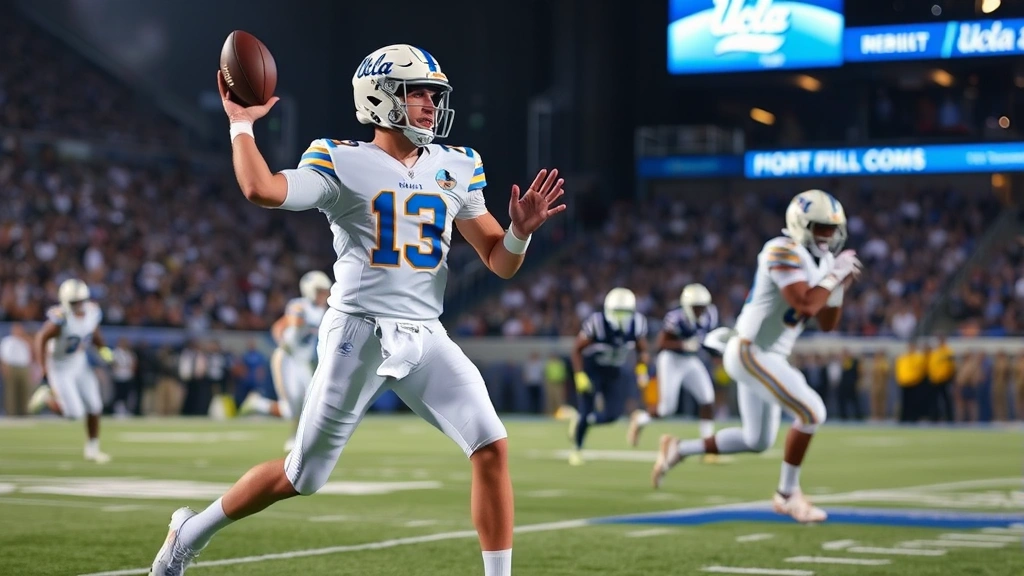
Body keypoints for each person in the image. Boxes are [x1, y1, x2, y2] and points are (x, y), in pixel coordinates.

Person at [147, 43, 566, 576]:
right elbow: (262, 188)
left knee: (491, 445)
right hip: (358, 333)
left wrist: (519, 234)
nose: (431, 106)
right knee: (303, 476)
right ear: (381, 97)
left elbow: (498, 262)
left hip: (426, 333)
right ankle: (190, 531)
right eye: (418, 94)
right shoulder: (340, 159)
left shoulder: (458, 165)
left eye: (434, 96)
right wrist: (240, 125)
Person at [651, 189, 862, 524]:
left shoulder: (821, 260)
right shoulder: (782, 249)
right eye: (822, 227)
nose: (829, 235)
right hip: (751, 350)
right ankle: (787, 494)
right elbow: (804, 304)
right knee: (812, 411)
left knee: (757, 439)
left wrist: (837, 287)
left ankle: (679, 449)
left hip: (769, 355)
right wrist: (834, 276)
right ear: (801, 224)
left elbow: (826, 322)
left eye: (833, 228)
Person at [238, 270, 331, 451]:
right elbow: (280, 327)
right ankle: (294, 437)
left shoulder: (322, 311)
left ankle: (259, 404)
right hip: (287, 358)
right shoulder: (299, 306)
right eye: (320, 290)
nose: (324, 294)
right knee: (293, 405)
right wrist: (284, 342)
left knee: (309, 402)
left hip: (302, 361)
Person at [28, 279, 113, 463]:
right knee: (74, 414)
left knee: (95, 406)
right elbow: (41, 337)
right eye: (74, 302)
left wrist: (104, 351)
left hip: (79, 363)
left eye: (81, 301)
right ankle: (47, 399)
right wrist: (43, 367)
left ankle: (92, 449)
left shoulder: (92, 312)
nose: (79, 305)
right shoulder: (61, 318)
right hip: (59, 367)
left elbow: (94, 333)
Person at [627, 283, 719, 449]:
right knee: (666, 409)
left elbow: (706, 339)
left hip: (690, 360)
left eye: (702, 307)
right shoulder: (676, 318)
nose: (700, 311)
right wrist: (683, 345)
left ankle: (708, 445)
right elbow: (660, 344)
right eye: (696, 307)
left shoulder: (711, 314)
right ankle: (640, 420)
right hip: (671, 360)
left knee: (707, 399)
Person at [568, 287, 649, 466]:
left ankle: (584, 421)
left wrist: (642, 369)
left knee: (613, 414)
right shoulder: (597, 323)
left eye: (625, 312)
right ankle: (577, 449)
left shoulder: (637, 324)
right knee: (586, 409)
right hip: (592, 368)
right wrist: (579, 375)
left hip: (614, 370)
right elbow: (576, 349)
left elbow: (642, 350)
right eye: (617, 312)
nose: (621, 317)